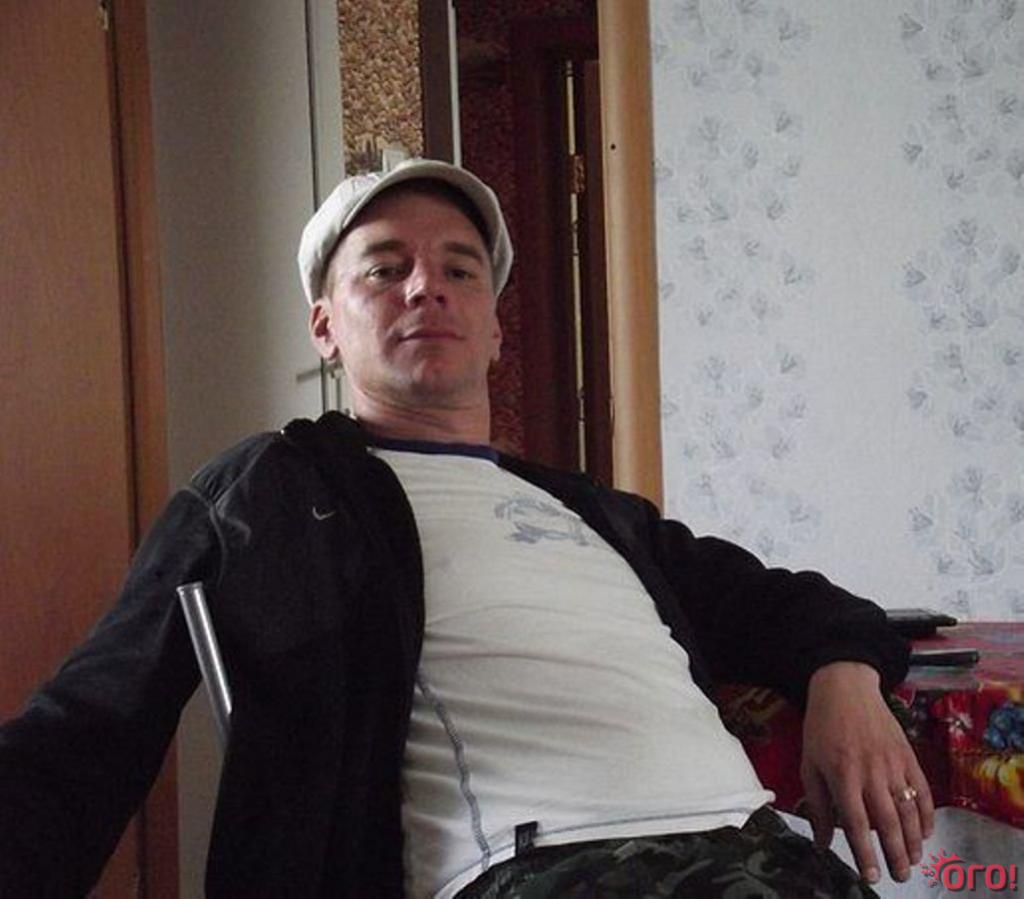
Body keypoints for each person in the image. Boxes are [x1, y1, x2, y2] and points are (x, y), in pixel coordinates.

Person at [0, 159, 932, 898]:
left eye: (458, 269)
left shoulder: (594, 511)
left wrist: (845, 679)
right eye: (385, 269)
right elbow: (88, 725)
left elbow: (790, 604)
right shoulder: (270, 494)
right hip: (548, 869)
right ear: (324, 326)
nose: (426, 288)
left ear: (492, 327)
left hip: (763, 854)